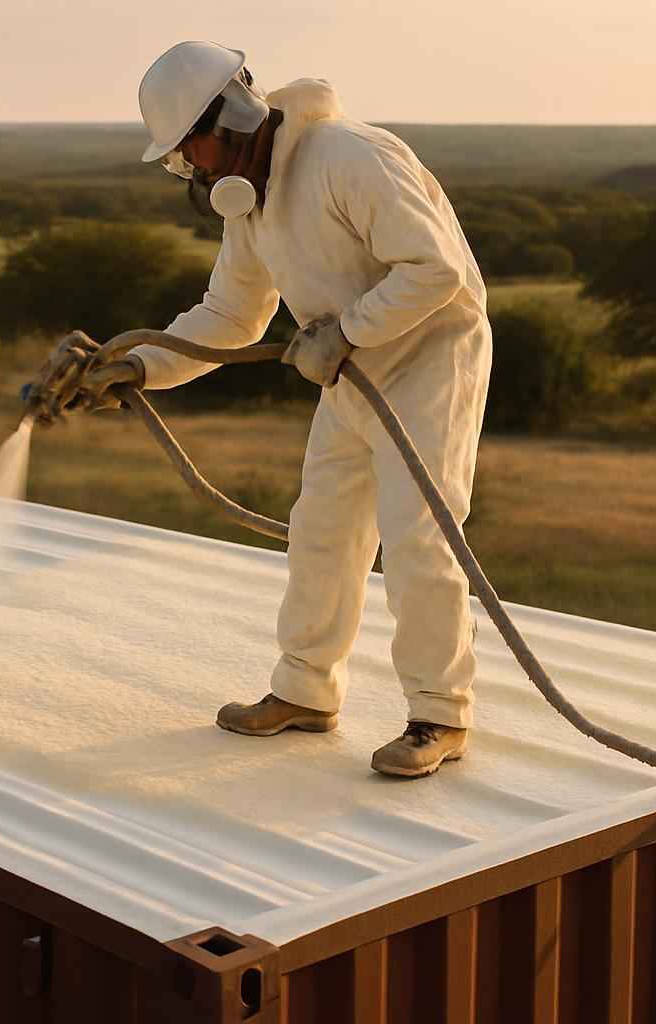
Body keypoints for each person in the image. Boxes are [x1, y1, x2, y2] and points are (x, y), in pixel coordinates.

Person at [65, 41, 492, 778]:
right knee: (321, 529)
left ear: (229, 116)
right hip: (350, 372)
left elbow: (435, 270)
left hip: (429, 362)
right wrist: (139, 366)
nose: (192, 170)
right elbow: (229, 316)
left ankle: (439, 714)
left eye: (188, 150)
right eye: (179, 161)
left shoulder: (347, 157)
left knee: (418, 537)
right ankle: (306, 692)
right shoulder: (252, 200)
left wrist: (347, 331)